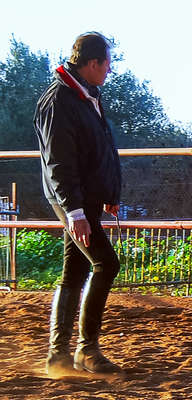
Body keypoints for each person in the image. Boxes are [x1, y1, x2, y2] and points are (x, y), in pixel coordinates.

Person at [34, 32, 123, 375]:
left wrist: (109, 194)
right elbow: (60, 162)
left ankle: (59, 356)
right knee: (106, 264)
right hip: (74, 200)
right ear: (92, 63)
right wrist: (74, 211)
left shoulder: (84, 96)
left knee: (76, 270)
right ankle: (85, 350)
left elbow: (100, 149)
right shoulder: (60, 101)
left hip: (87, 199)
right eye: (107, 64)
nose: (109, 70)